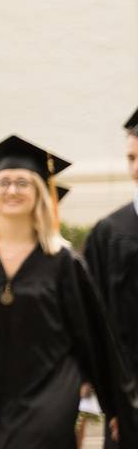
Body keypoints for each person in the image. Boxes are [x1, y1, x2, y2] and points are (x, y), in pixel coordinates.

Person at [0, 136, 136, 448]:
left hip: (47, 395)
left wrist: (116, 406)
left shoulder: (63, 262)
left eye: (23, 183)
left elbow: (94, 336)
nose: (12, 190)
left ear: (40, 193)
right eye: (4, 182)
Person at [85, 108, 138, 413]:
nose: (136, 168)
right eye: (131, 158)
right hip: (127, 388)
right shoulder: (108, 233)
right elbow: (95, 316)